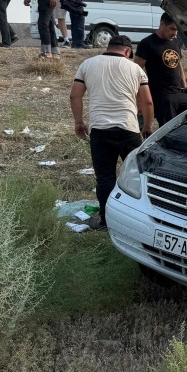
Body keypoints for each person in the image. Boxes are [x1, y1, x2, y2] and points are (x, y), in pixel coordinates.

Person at [70, 35, 154, 230]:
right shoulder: (135, 69)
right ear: (127, 51)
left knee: (105, 178)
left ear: (109, 47)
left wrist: (79, 122)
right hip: (129, 129)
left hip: (100, 130)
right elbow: (147, 102)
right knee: (139, 177)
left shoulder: (87, 64)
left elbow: (75, 95)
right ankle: (142, 219)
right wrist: (147, 127)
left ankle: (107, 221)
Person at [135, 12, 187, 128]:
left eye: (177, 30)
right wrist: (140, 101)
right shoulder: (147, 44)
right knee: (168, 130)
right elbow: (135, 71)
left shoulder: (174, 42)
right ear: (162, 24)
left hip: (179, 93)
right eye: (172, 29)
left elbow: (178, 66)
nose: (175, 34)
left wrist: (184, 86)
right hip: (162, 96)